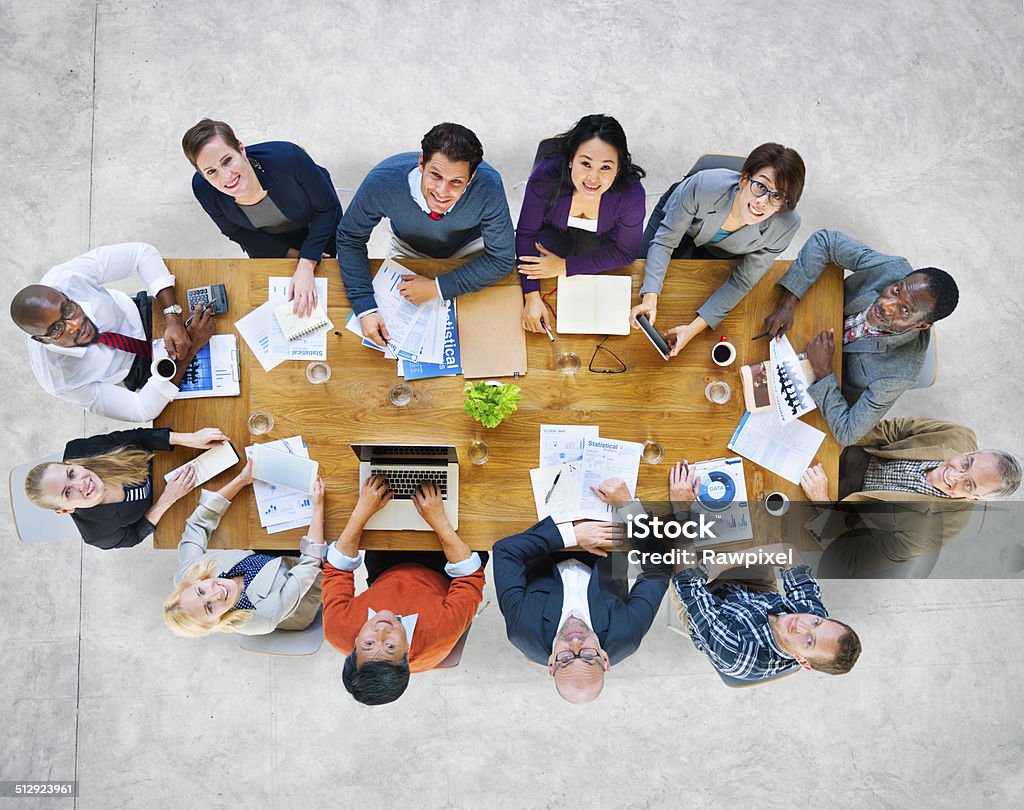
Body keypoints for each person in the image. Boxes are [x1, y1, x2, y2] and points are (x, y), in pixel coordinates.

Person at [762, 230, 960, 445]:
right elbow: (825, 241)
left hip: (821, 385)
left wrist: (823, 370)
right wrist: (788, 301)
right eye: (895, 290)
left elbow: (848, 433)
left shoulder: (900, 374)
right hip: (811, 320)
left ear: (921, 325)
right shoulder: (892, 268)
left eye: (904, 311)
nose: (885, 305)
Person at [492, 477, 671, 704]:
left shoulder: (522, 629)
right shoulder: (626, 635)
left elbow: (505, 551)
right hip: (606, 536)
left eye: (566, 658)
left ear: (550, 663)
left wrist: (571, 535)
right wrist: (628, 507)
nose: (575, 643)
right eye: (587, 656)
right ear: (605, 659)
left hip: (543, 533)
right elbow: (659, 570)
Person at [337, 122, 515, 348]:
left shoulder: (489, 185)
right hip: (408, 246)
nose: (442, 192)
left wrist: (437, 287)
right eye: (435, 175)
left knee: (481, 335)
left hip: (468, 245)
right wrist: (364, 307)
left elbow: (501, 258)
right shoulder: (382, 181)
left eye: (456, 182)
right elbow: (349, 237)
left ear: (471, 179)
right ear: (421, 163)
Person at [322, 478, 486, 706]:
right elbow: (470, 576)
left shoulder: (338, 630)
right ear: (407, 654)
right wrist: (438, 520)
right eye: (390, 647)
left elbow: (337, 569)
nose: (381, 631)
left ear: (354, 645)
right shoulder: (439, 635)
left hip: (387, 567)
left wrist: (362, 511)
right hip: (448, 565)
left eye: (368, 644)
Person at [631, 143, 805, 356]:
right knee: (638, 279)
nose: (762, 202)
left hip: (726, 247)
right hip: (678, 220)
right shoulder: (703, 186)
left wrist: (692, 329)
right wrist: (650, 299)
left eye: (777, 196)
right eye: (761, 186)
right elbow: (665, 241)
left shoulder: (786, 226)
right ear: (743, 179)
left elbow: (742, 280)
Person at [10, 243, 214, 422]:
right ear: (41, 340)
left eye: (68, 309)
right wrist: (193, 344)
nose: (75, 325)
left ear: (66, 295)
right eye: (57, 329)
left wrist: (171, 315)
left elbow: (142, 254)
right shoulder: (57, 379)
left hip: (144, 314)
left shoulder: (66, 277)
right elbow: (141, 410)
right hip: (137, 367)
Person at [799, 417, 1021, 575]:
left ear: (975, 499)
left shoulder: (930, 532)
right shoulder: (959, 436)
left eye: (968, 484)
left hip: (837, 508)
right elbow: (895, 430)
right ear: (971, 452)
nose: (953, 475)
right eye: (965, 463)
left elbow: (852, 558)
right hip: (852, 456)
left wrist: (822, 502)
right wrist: (846, 440)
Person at [182, 118, 343, 317]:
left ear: (241, 149)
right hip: (269, 244)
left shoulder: (289, 158)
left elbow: (326, 208)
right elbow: (235, 231)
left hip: (317, 226)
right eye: (211, 172)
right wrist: (292, 255)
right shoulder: (203, 189)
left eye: (227, 161)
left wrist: (307, 260)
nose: (225, 177)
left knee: (330, 290)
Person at [163, 459, 325, 637]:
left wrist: (241, 479)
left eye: (201, 590)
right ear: (214, 623)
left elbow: (197, 525)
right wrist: (318, 507)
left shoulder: (188, 574)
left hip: (265, 558)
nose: (216, 593)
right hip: (304, 584)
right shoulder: (265, 616)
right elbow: (310, 564)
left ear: (193, 583)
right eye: (209, 607)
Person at [516, 114, 647, 333]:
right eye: (585, 164)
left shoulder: (631, 194)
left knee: (599, 315)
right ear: (570, 160)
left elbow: (626, 251)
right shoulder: (546, 178)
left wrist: (566, 267)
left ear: (619, 169)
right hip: (551, 243)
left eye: (605, 167)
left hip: (603, 249)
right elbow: (526, 233)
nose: (593, 178)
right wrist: (531, 297)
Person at [673, 546, 862, 680]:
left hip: (708, 611)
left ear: (803, 662)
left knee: (670, 542)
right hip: (755, 594)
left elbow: (688, 583)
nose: (800, 625)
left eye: (809, 641)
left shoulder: (739, 653)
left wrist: (682, 513)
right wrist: (721, 563)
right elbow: (788, 553)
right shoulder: (813, 616)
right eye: (817, 623)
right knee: (754, 528)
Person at [23, 426, 227, 550]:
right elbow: (133, 536)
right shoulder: (96, 534)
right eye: (67, 492)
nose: (81, 483)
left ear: (71, 464)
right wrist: (167, 499)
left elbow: (137, 438)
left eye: (71, 474)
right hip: (174, 500)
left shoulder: (80, 450)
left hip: (167, 460)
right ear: (65, 510)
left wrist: (191, 439)